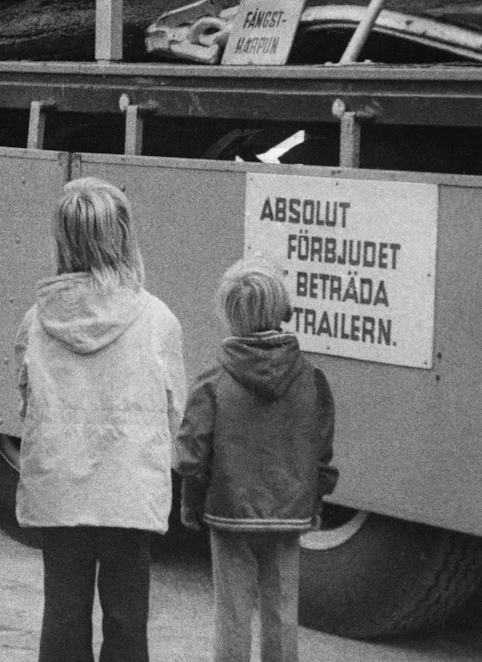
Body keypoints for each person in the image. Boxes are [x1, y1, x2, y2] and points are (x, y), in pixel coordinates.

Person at [14, 178, 185, 662]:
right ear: (124, 237)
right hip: (129, 492)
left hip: (59, 489)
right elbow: (175, 411)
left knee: (63, 616)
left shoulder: (36, 320)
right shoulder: (158, 320)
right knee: (127, 619)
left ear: (62, 241)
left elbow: (25, 402)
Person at [176, 257, 338, 662]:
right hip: (289, 514)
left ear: (230, 314)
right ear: (281, 309)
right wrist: (315, 502)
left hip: (229, 514)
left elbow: (192, 454)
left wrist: (191, 503)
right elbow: (320, 449)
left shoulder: (213, 381)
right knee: (282, 612)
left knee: (232, 614)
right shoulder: (311, 377)